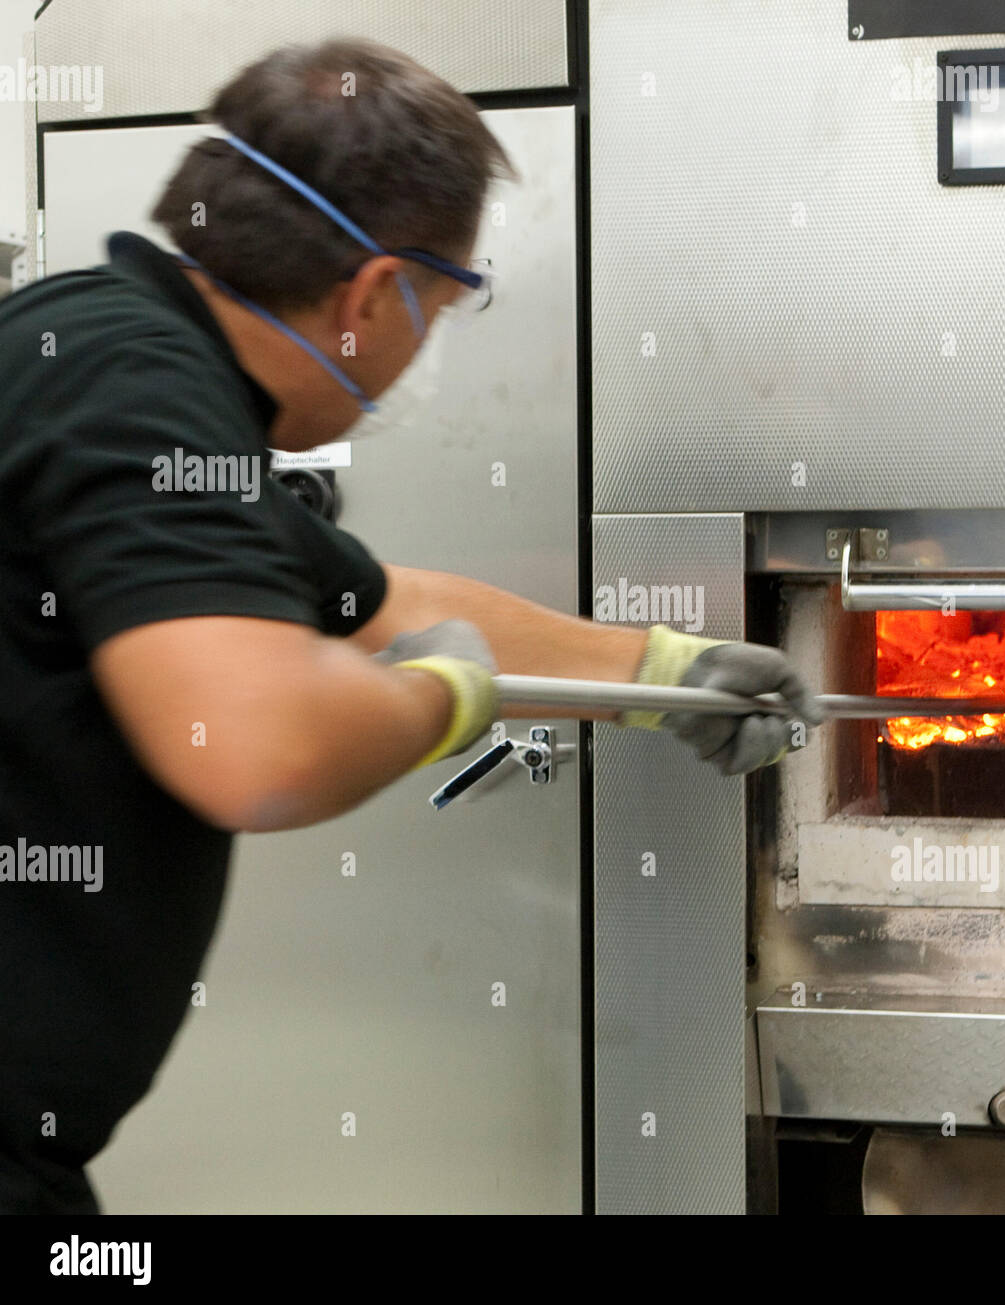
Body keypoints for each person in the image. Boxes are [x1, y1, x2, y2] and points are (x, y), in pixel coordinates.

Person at [0, 38, 820, 1214]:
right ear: (373, 295)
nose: (426, 343)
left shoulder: (120, 348)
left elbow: (392, 603)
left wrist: (664, 670)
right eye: (443, 301)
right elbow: (255, 748)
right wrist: (447, 699)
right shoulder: (135, 389)